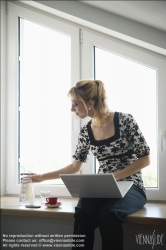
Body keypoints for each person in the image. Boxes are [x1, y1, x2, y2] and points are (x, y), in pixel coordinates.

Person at [22, 80, 150, 250]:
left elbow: (145, 159)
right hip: (103, 187)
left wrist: (115, 176)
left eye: (75, 104)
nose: (72, 109)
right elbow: (75, 167)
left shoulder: (125, 120)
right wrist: (42, 177)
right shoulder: (86, 131)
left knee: (109, 215)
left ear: (90, 103)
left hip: (132, 186)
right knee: (83, 213)